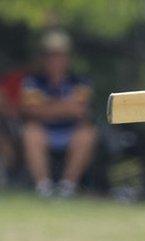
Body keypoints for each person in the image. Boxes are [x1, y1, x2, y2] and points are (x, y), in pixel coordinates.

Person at [21, 30, 97, 198]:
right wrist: (65, 107)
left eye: (60, 55)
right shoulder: (33, 81)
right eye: (51, 56)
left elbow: (80, 110)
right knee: (30, 133)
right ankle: (43, 186)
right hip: (44, 130)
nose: (55, 60)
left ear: (67, 58)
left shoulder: (80, 80)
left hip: (71, 130)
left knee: (87, 134)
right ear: (44, 58)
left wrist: (47, 107)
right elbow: (32, 111)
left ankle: (67, 186)